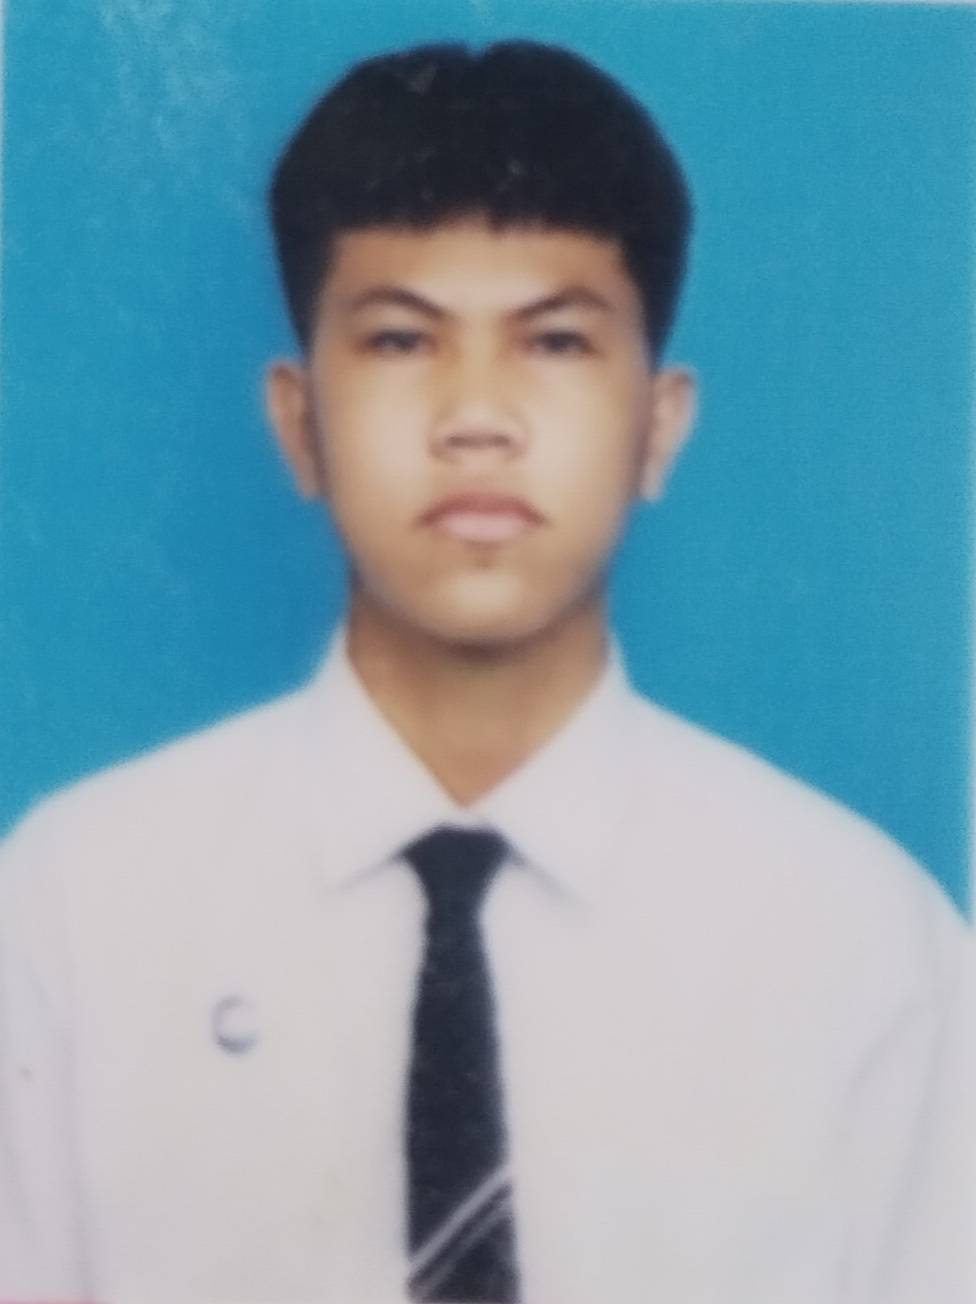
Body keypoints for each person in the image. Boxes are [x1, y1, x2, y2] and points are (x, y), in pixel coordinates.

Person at [0, 39, 969, 1304]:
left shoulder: (860, 943)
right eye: (402, 340)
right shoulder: (75, 910)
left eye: (554, 342)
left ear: (658, 423)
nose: (476, 415)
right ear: (298, 422)